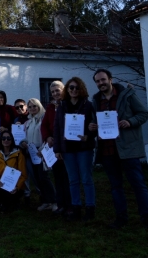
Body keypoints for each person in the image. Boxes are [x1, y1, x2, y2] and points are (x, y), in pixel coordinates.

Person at [89, 69, 148, 229]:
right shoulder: (96, 101)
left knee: (138, 184)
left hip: (128, 149)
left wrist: (130, 122)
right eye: (98, 81)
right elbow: (95, 121)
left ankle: (147, 218)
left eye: (103, 80)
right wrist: (92, 126)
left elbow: (143, 113)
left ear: (110, 79)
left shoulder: (127, 95)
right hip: (108, 150)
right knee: (115, 187)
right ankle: (121, 218)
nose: (101, 83)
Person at [54, 77, 97, 221]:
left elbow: (95, 125)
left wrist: (88, 136)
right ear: (67, 89)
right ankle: (76, 208)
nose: (73, 90)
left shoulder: (88, 105)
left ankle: (90, 208)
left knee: (86, 179)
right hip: (67, 149)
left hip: (84, 147)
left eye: (77, 88)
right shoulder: (61, 106)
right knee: (73, 180)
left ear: (82, 89)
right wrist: (57, 149)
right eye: (71, 87)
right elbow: (57, 128)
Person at [20, 98, 57, 211]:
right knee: (37, 178)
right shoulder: (28, 122)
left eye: (34, 106)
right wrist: (24, 142)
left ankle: (54, 201)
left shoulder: (44, 118)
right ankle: (46, 201)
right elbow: (25, 137)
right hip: (32, 152)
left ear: (39, 106)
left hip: (43, 150)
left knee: (44, 177)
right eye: (30, 107)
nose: (32, 109)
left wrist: (43, 149)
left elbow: (48, 134)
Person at [41, 80, 71, 215]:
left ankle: (71, 205)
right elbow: (44, 125)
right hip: (55, 146)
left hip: (68, 145)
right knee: (58, 177)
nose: (55, 93)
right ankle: (61, 204)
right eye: (52, 92)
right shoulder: (50, 107)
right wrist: (47, 137)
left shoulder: (69, 104)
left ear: (63, 90)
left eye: (57, 90)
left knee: (69, 177)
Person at [0, 131, 27, 212]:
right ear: (1, 140)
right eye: (3, 138)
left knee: (9, 195)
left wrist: (17, 187)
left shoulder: (19, 155)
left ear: (12, 140)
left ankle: (8, 205)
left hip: (15, 185)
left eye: (8, 138)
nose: (6, 140)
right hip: (1, 183)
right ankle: (0, 205)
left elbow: (23, 175)